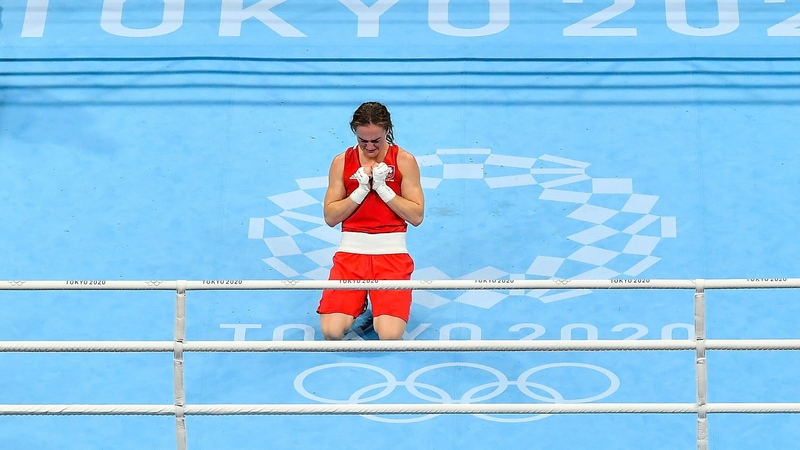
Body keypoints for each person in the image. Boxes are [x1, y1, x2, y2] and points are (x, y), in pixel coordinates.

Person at [317, 102, 425, 340]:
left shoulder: (404, 160)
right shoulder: (341, 162)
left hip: (392, 257)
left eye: (375, 141)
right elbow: (331, 217)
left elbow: (416, 216)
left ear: (387, 130)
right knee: (331, 332)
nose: (369, 147)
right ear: (354, 132)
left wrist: (383, 188)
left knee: (389, 336)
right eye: (362, 140)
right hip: (350, 256)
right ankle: (360, 300)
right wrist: (360, 190)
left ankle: (379, 301)